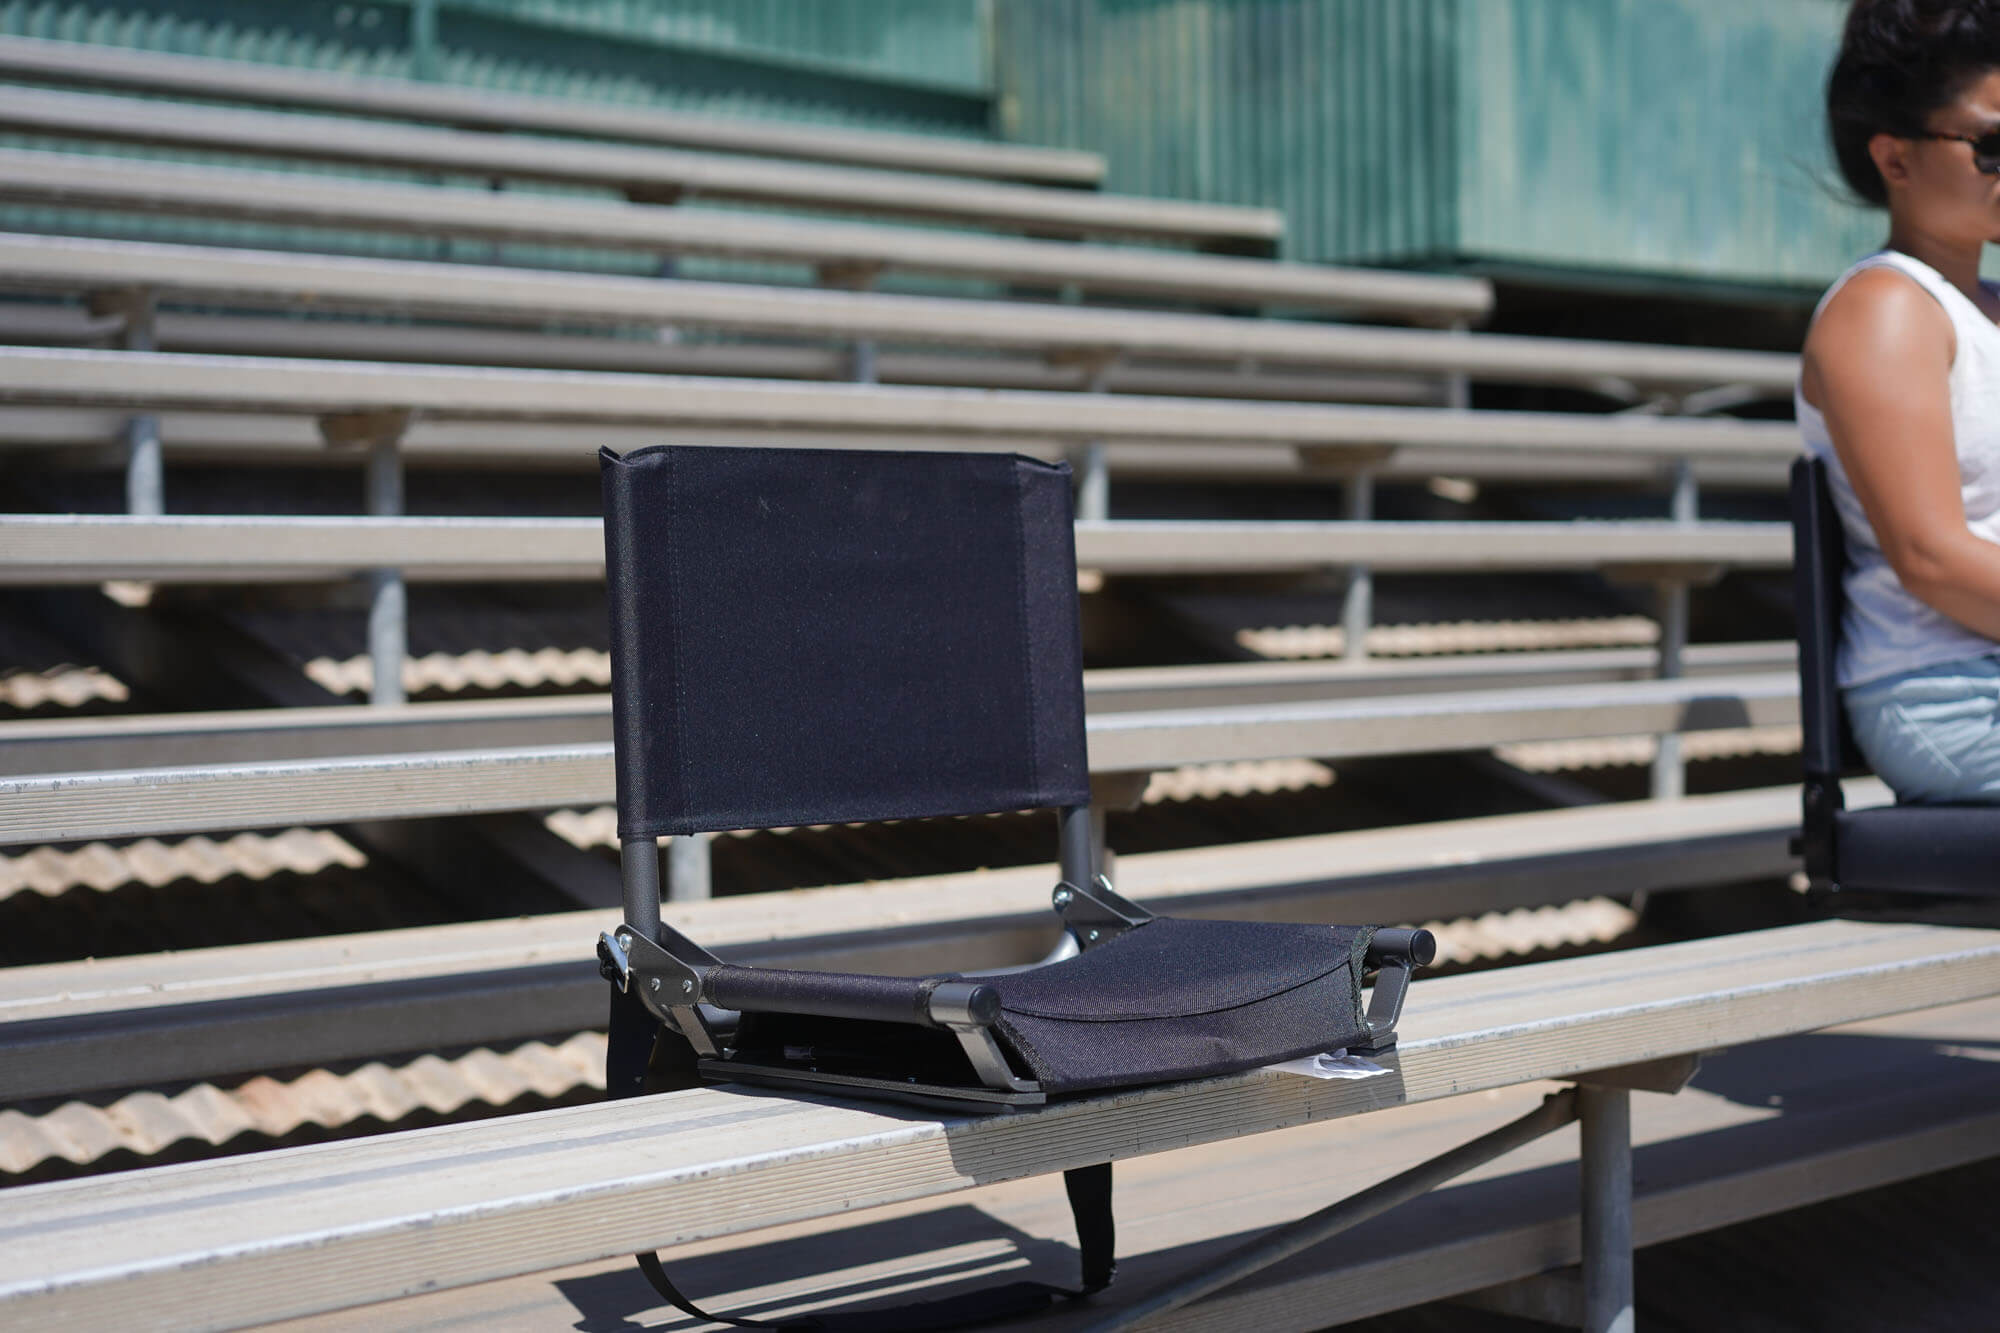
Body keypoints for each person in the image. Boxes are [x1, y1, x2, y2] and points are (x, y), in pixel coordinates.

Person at [1800, 0, 2000, 802]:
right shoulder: (1883, 310)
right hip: (1947, 692)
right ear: (1895, 159)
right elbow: (1931, 559)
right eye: (1992, 144)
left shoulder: (1978, 304)